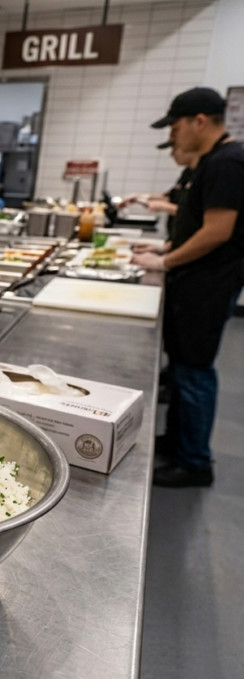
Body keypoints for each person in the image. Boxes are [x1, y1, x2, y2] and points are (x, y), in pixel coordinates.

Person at [133, 87, 244, 488]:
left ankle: (194, 462)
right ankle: (178, 442)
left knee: (194, 371)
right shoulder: (213, 161)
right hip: (196, 283)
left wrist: (164, 262)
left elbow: (217, 232)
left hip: (208, 286)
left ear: (199, 121)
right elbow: (194, 223)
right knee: (182, 369)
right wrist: (165, 248)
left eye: (176, 127)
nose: (173, 136)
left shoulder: (228, 162)